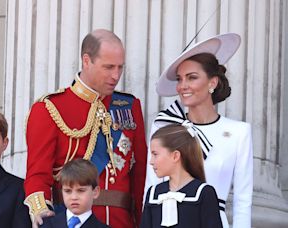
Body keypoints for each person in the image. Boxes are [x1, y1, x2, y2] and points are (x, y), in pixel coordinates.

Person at [24, 29, 147, 228]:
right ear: (86, 60)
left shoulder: (129, 106)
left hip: (121, 222)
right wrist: (41, 211)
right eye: (108, 67)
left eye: (120, 68)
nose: (116, 76)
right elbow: (38, 174)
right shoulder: (50, 108)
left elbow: (140, 175)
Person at [144, 33, 253, 227]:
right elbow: (152, 187)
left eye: (191, 78)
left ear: (212, 82)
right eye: (180, 79)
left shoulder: (239, 132)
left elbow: (242, 203)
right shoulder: (165, 126)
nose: (182, 86)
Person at [141, 123, 222, 228]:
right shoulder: (153, 194)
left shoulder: (203, 193)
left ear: (175, 156)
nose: (151, 162)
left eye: (155, 154)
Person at [40, 158, 109, 228]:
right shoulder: (47, 225)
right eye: (68, 191)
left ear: (95, 192)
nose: (74, 197)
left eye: (81, 190)